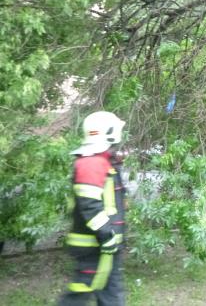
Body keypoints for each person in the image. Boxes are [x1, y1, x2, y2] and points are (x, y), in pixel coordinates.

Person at [59, 111, 127, 306]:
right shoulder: (92, 163)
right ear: (110, 132)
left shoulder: (102, 161)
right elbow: (90, 206)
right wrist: (106, 236)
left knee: (110, 295)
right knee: (79, 295)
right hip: (95, 246)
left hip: (104, 245)